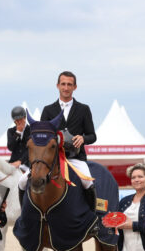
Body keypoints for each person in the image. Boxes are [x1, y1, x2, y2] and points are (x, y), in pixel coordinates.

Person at [18, 71, 97, 210]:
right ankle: (24, 216)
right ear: (58, 85)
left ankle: (92, 218)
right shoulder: (48, 110)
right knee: (22, 181)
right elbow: (40, 139)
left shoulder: (84, 109)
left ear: (75, 87)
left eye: (69, 85)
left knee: (87, 182)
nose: (66, 88)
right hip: (51, 160)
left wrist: (83, 138)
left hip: (75, 158)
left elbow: (92, 135)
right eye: (63, 84)